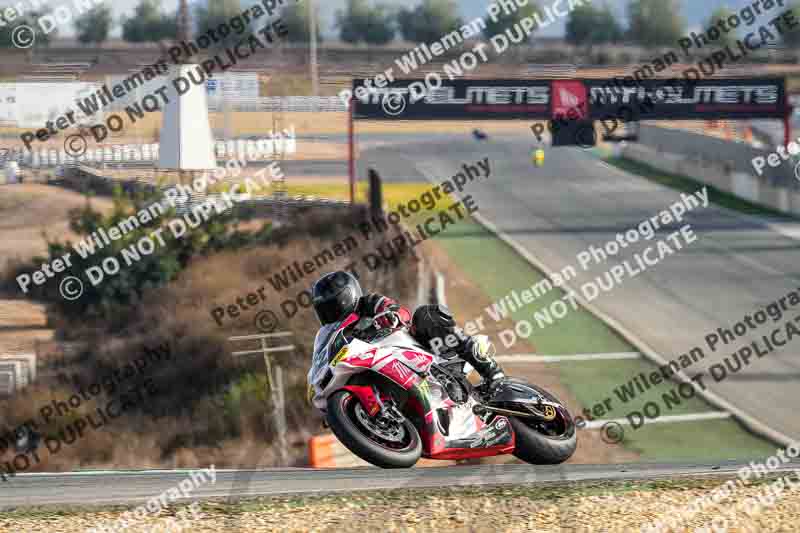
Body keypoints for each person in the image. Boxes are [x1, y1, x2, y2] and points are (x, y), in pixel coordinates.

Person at [310, 270, 505, 389]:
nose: (330, 313)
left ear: (347, 297)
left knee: (426, 316)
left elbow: (397, 310)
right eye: (325, 309)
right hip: (380, 366)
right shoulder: (335, 336)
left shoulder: (367, 304)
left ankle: (487, 367)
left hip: (409, 348)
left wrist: (391, 316)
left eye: (333, 306)